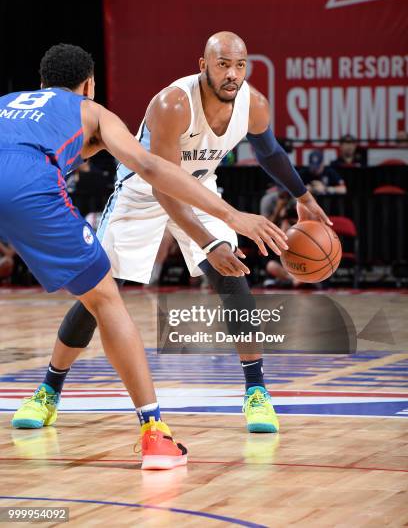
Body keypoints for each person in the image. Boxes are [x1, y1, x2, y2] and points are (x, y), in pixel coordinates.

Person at [2, 43, 292, 470]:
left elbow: (265, 154)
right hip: (144, 186)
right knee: (102, 294)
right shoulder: (152, 103)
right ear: (90, 85)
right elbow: (156, 175)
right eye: (223, 64)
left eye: (238, 65)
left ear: (42, 84)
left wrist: (293, 202)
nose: (232, 72)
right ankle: (120, 417)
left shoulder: (10, 104)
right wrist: (231, 219)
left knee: (229, 273)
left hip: (196, 185)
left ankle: (256, 391)